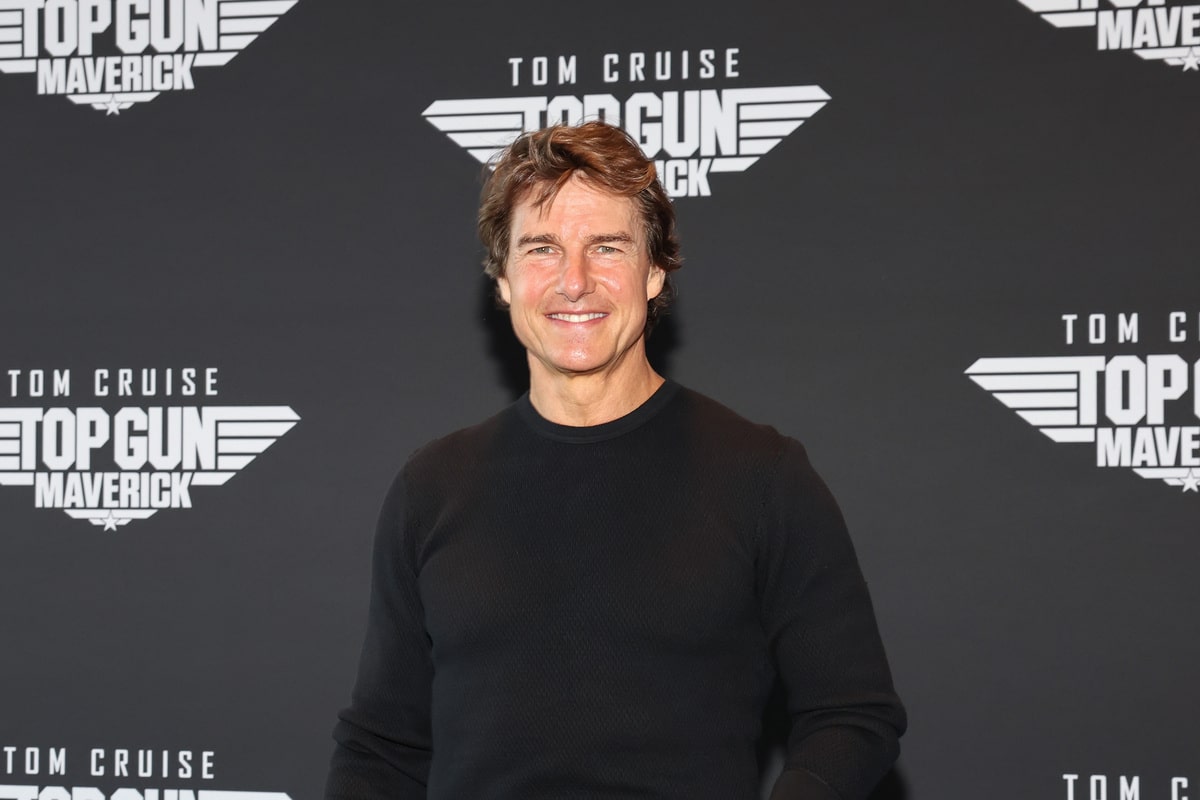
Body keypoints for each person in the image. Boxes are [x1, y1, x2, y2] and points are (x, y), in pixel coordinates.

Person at [325, 121, 906, 800]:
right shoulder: (431, 488)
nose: (574, 281)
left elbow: (851, 714)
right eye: (542, 249)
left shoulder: (762, 476)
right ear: (504, 278)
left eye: (606, 247)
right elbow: (381, 747)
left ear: (654, 271)